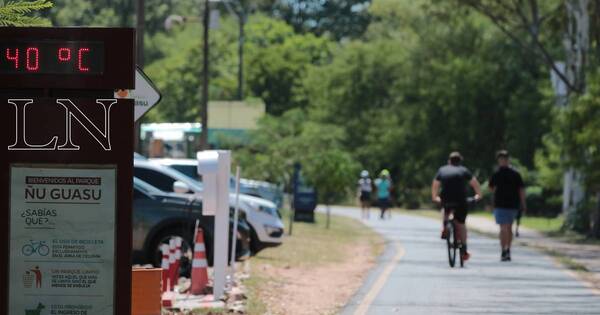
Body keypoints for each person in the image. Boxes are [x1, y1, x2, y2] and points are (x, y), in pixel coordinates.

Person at [431, 152, 481, 262]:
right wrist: (478, 195)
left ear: (449, 161)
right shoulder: (463, 170)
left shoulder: (442, 169)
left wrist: (435, 197)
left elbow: (435, 183)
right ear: (460, 161)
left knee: (445, 207)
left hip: (446, 198)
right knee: (461, 223)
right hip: (461, 200)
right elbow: (474, 183)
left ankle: (445, 226)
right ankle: (463, 250)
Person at [489, 150, 526, 262]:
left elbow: (521, 190)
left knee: (508, 228)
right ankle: (504, 250)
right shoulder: (497, 174)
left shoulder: (515, 174)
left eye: (504, 159)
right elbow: (491, 188)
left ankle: (507, 249)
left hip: (512, 204)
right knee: (504, 228)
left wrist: (523, 203)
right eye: (501, 159)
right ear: (499, 160)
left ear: (508, 160)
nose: (503, 161)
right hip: (500, 204)